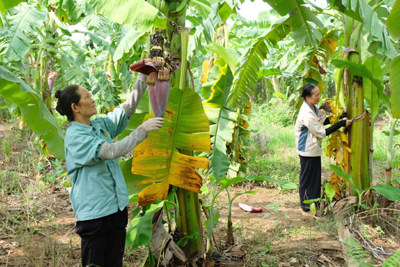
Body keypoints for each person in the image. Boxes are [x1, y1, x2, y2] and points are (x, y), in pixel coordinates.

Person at [55, 73, 164, 267]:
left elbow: (127, 109)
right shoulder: (75, 136)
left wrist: (142, 77)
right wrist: (142, 130)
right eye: (87, 96)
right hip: (95, 215)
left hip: (115, 209)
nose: (93, 99)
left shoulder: (98, 125)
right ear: (75, 107)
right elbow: (110, 151)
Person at [294, 83, 352, 213]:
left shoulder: (313, 108)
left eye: (319, 94)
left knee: (315, 177)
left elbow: (322, 121)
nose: (319, 97)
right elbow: (322, 132)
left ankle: (315, 202)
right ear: (308, 97)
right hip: (307, 149)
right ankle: (305, 205)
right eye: (316, 95)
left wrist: (340, 116)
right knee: (306, 177)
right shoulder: (306, 113)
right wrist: (341, 123)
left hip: (313, 148)